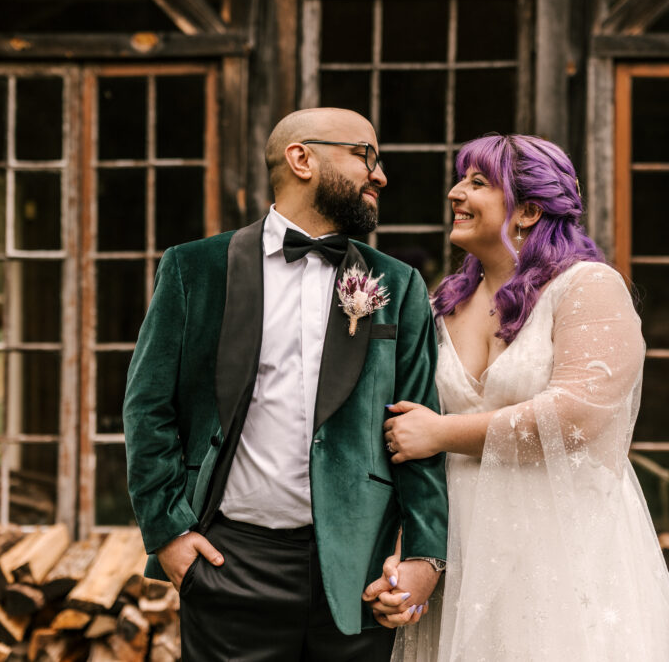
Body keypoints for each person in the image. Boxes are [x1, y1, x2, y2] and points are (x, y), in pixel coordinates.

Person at [123, 107, 449, 661]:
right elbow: (148, 407)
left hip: (361, 571)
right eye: (365, 156)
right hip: (230, 564)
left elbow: (420, 427)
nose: (380, 175)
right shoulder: (194, 269)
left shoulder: (397, 283)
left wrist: (424, 554)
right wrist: (169, 533)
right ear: (302, 159)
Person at [374, 134, 669, 660]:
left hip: (561, 553)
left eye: (478, 182)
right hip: (464, 551)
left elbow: (577, 415)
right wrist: (412, 552)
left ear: (528, 210)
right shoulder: (439, 305)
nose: (456, 193)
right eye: (460, 180)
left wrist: (442, 432)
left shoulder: (587, 287)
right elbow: (411, 444)